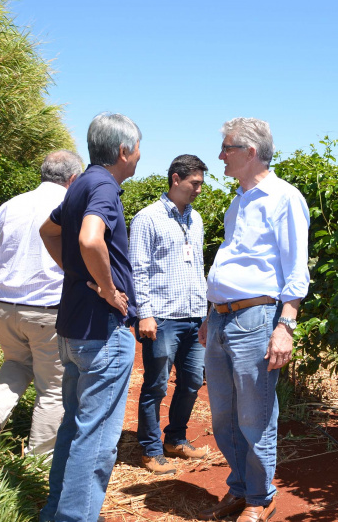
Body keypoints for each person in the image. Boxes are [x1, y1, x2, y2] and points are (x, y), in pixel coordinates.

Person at [196, 118, 309, 522]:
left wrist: (286, 324)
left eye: (226, 148)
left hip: (257, 319)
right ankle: (241, 486)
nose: (220, 155)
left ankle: (260, 498)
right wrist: (213, 314)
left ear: (250, 152)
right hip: (223, 320)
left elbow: (295, 266)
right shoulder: (239, 199)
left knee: (254, 415)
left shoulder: (283, 197)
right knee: (224, 415)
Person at [38, 112, 142, 522]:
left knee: (75, 428)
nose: (139, 156)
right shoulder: (103, 185)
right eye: (137, 148)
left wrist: (76, 271)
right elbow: (88, 237)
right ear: (123, 151)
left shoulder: (79, 184)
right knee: (96, 438)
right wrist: (111, 290)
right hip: (102, 331)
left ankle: (55, 512)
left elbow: (49, 231)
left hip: (73, 329)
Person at [0, 150, 83, 456]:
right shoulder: (70, 207)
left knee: (17, 362)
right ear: (73, 179)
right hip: (47, 309)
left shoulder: (8, 207)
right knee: (52, 386)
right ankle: (38, 459)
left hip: (3, 306)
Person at [130, 154, 210, 475]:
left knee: (192, 380)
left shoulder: (197, 219)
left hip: (193, 317)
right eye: (195, 183)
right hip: (162, 319)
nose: (199, 190)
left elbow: (199, 267)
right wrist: (144, 314)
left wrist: (204, 313)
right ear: (176, 179)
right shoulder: (147, 219)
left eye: (201, 184)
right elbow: (138, 269)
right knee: (156, 385)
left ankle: (175, 438)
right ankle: (149, 449)